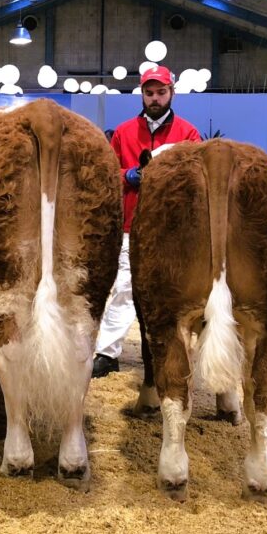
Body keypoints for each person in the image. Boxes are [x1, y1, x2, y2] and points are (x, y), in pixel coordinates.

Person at [92, 65, 203, 378]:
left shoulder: (188, 133)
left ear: (172, 93)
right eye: (149, 92)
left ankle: (169, 351)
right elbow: (108, 174)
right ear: (141, 94)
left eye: (161, 92)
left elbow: (197, 176)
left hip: (173, 228)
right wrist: (128, 174)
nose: (155, 98)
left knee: (174, 290)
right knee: (124, 287)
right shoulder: (125, 132)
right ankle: (107, 352)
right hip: (132, 223)